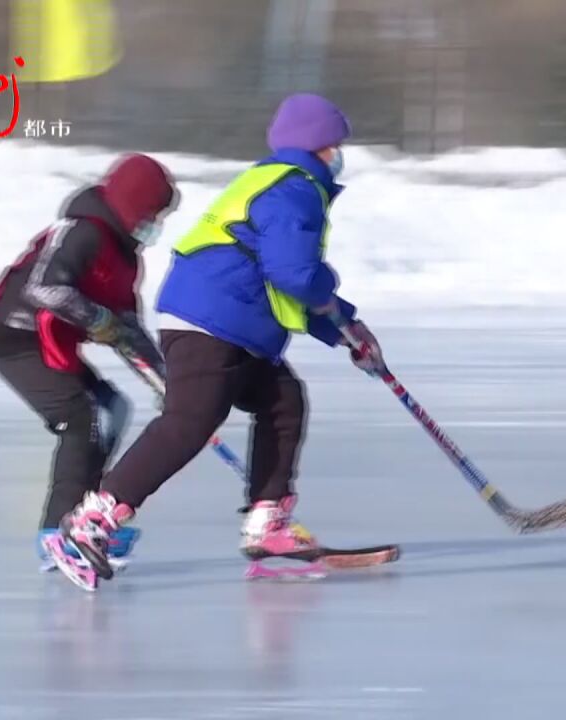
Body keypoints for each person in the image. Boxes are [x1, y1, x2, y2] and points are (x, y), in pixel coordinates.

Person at [46, 93, 385, 587]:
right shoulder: (296, 187)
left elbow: (283, 280)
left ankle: (268, 525)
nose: (340, 155)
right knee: (188, 423)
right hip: (214, 321)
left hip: (227, 321)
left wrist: (345, 332)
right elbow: (294, 273)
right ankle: (91, 521)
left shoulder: (270, 179)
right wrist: (338, 311)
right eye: (336, 144)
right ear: (320, 146)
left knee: (282, 401)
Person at [0, 153, 179, 570]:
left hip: (51, 343)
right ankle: (55, 533)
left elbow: (128, 328)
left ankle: (86, 522)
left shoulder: (125, 258)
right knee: (81, 417)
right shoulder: (82, 231)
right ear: (133, 205)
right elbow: (43, 288)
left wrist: (169, 389)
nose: (154, 224)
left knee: (113, 410)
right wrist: (98, 319)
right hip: (12, 334)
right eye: (152, 214)